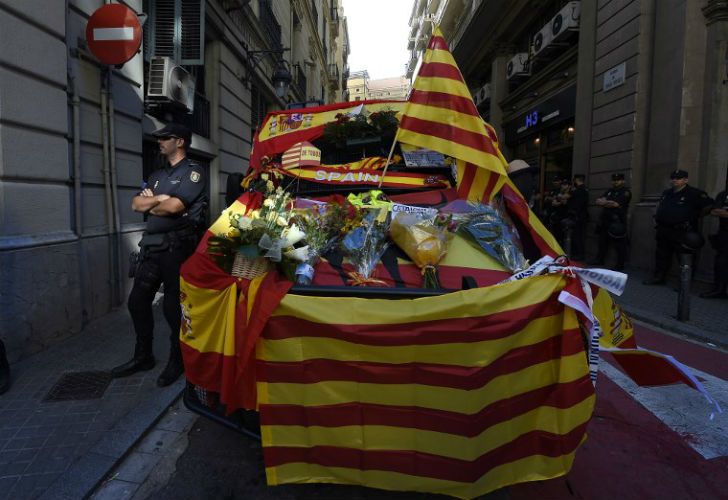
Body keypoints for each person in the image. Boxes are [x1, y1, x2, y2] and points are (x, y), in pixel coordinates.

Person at [111, 123, 208, 387]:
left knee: (172, 308)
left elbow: (174, 207)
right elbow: (134, 204)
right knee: (137, 301)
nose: (159, 141)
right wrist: (159, 199)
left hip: (177, 249)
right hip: (152, 248)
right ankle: (143, 356)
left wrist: (155, 202)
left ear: (180, 141)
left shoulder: (194, 172)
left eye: (165, 138)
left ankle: (177, 360)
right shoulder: (155, 175)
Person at [644, 169, 713, 285]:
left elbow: (709, 206)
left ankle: (684, 283)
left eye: (678, 178)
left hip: (682, 231)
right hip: (664, 230)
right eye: (673, 178)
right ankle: (659, 278)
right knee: (662, 256)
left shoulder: (694, 193)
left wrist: (694, 216)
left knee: (683, 257)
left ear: (686, 180)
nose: (674, 180)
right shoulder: (667, 193)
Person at [593, 173, 632, 270]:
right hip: (606, 220)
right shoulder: (609, 191)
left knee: (619, 244)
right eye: (614, 180)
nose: (615, 182)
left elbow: (615, 204)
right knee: (602, 241)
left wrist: (605, 203)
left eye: (618, 180)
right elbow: (598, 201)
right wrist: (608, 203)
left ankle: (620, 265)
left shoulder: (626, 192)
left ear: (623, 181)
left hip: (617, 221)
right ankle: (600, 259)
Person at [700, 186, 728, 298]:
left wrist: (725, 212)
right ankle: (719, 289)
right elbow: (715, 211)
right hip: (725, 233)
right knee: (721, 262)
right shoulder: (723, 194)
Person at [566, 174, 589, 260]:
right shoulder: (584, 189)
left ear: (576, 180)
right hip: (580, 216)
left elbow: (565, 196)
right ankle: (579, 255)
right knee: (579, 236)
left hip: (577, 216)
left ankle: (579, 255)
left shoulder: (578, 190)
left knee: (577, 237)